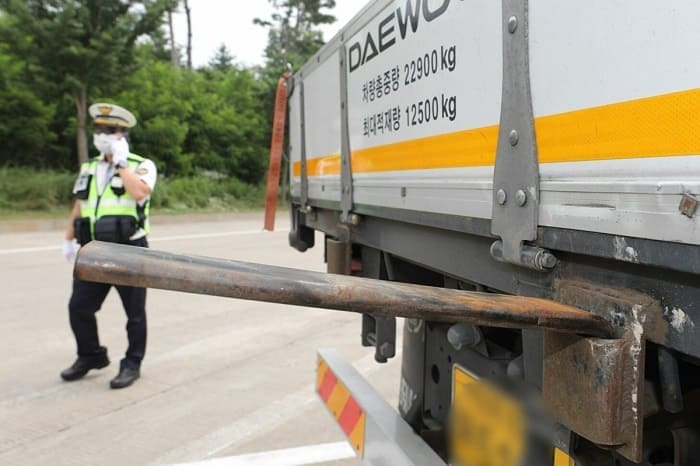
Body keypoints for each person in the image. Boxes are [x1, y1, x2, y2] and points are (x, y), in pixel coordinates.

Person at [60, 103, 157, 389]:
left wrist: (122, 164)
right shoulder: (89, 166)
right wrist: (67, 239)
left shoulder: (142, 164)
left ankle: (132, 363)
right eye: (99, 130)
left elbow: (139, 192)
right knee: (79, 307)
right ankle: (90, 355)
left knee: (134, 314)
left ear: (122, 134)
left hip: (130, 250)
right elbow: (79, 203)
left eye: (109, 131)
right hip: (95, 251)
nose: (102, 135)